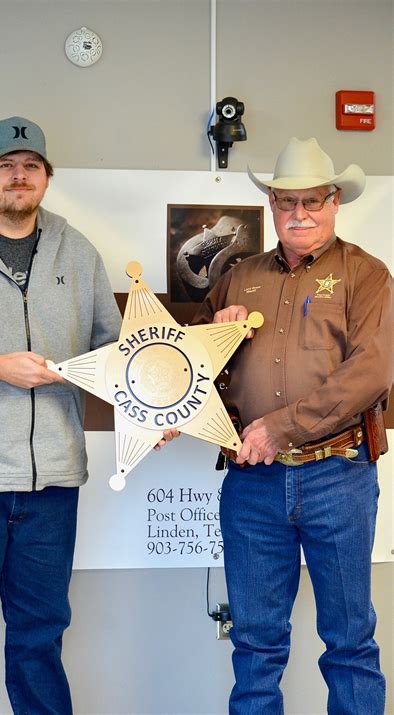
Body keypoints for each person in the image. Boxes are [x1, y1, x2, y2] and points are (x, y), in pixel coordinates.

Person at [0, 116, 125, 714]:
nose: (18, 175)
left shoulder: (77, 250)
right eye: (5, 166)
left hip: (52, 485)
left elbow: (114, 351)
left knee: (40, 639)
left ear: (46, 179)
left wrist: (150, 407)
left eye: (30, 166)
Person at [193, 137, 392, 713]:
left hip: (339, 478)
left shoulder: (367, 274)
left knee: (350, 642)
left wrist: (281, 427)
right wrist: (218, 334)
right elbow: (191, 367)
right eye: (287, 202)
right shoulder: (239, 275)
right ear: (272, 206)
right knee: (255, 645)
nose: (299, 214)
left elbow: (373, 372)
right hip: (252, 483)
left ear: (334, 202)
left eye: (313, 201)